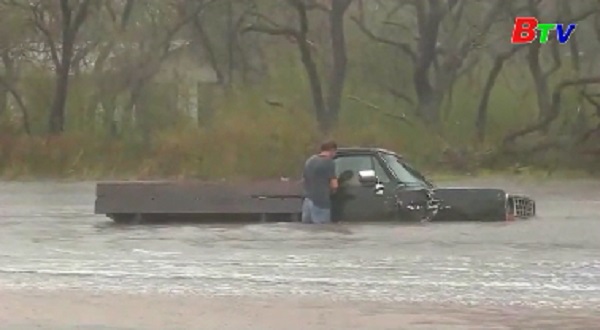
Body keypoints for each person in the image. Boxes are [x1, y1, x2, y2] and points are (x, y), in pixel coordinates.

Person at [301, 140, 338, 224]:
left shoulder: (310, 160)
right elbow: (334, 185)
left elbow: (304, 179)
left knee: (308, 231)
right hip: (321, 202)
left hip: (307, 201)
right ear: (332, 150)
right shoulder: (329, 162)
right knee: (323, 232)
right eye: (335, 152)